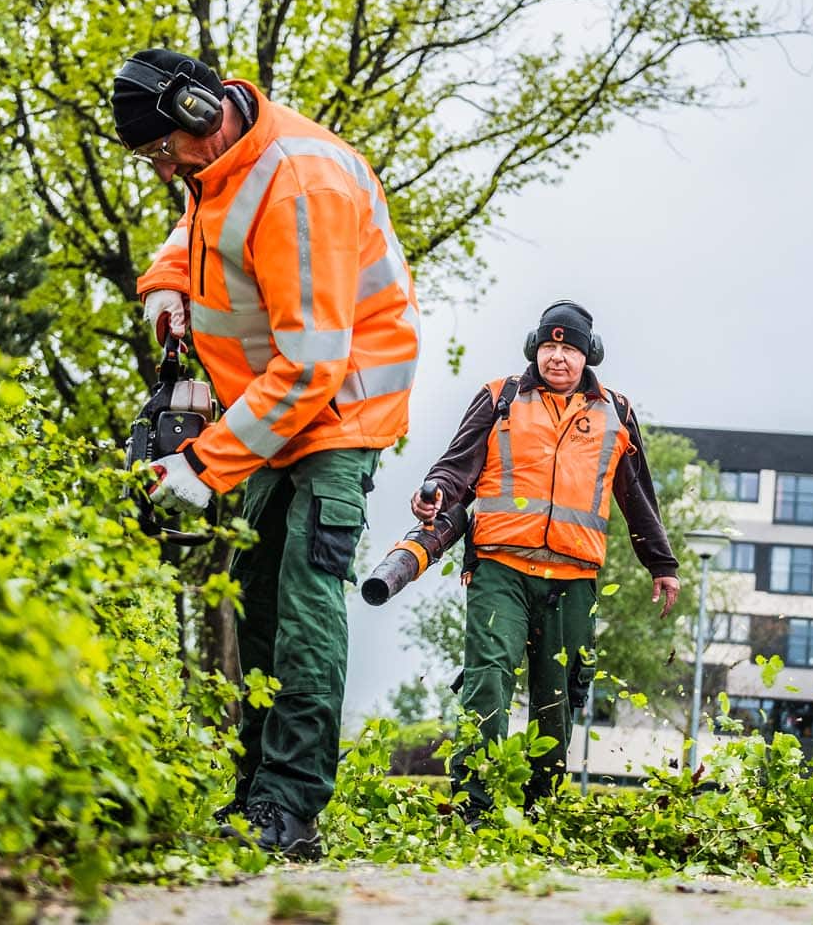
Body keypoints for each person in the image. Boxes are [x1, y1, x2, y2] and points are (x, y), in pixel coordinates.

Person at [111, 48, 420, 859]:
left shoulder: (301, 183)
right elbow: (201, 224)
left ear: (192, 114)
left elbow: (315, 363)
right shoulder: (220, 164)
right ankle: (254, 794)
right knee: (255, 595)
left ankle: (292, 808)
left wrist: (203, 463)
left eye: (159, 149)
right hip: (274, 414)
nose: (162, 164)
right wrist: (167, 283)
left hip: (335, 412)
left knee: (304, 600)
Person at [411, 300, 678, 819]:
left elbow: (637, 494)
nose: (559, 358)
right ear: (536, 348)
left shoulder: (616, 413)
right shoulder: (501, 398)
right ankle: (474, 802)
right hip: (499, 568)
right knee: (488, 675)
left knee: (558, 696)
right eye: (551, 346)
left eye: (570, 349)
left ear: (588, 356)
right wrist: (434, 494)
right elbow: (455, 467)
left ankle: (539, 809)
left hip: (573, 580)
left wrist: (662, 564)